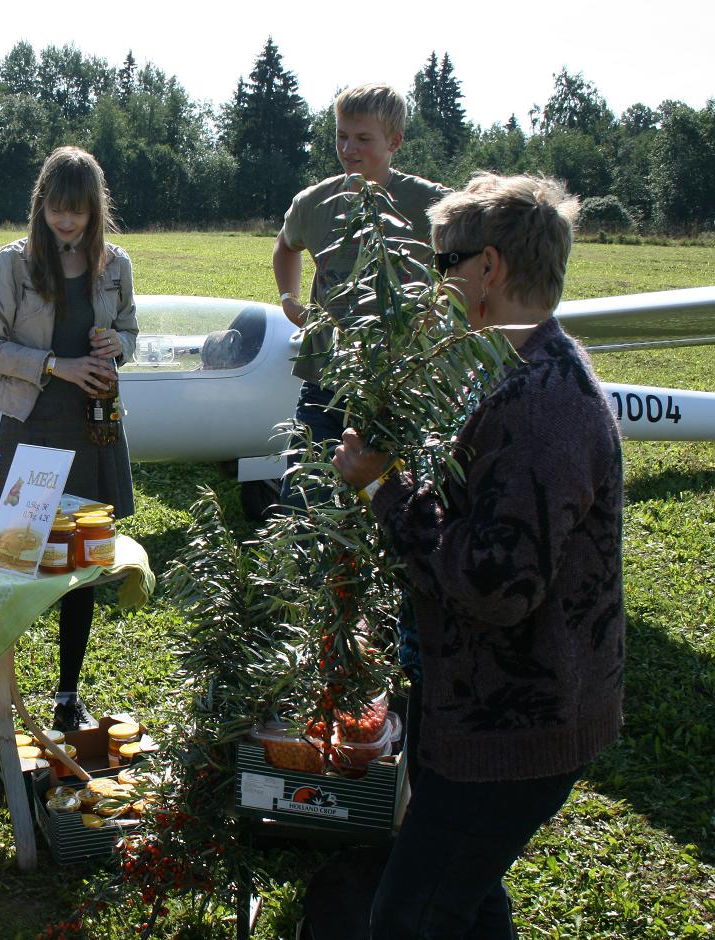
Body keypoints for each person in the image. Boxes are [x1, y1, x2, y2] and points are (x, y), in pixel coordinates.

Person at [331, 174, 624, 938]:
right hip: (478, 711)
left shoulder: (542, 407)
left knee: (410, 915)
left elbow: (496, 584)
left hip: (512, 730)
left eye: (443, 265)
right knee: (467, 899)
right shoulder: (515, 373)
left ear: (489, 269)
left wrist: (381, 492)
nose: (435, 287)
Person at [0, 146, 137, 759]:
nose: (66, 222)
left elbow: (131, 333)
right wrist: (57, 364)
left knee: (79, 568)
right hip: (30, 426)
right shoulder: (14, 264)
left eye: (77, 211)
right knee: (10, 561)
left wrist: (118, 342)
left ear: (94, 209)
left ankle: (66, 692)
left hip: (93, 429)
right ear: (41, 206)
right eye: (56, 209)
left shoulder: (116, 265)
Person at [273, 82, 450, 509]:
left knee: (401, 503)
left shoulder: (433, 203)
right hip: (326, 381)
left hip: (403, 382)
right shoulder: (313, 203)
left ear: (395, 141)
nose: (349, 148)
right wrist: (288, 299)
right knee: (304, 498)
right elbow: (285, 248)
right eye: (341, 135)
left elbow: (466, 265)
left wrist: (440, 306)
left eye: (363, 138)